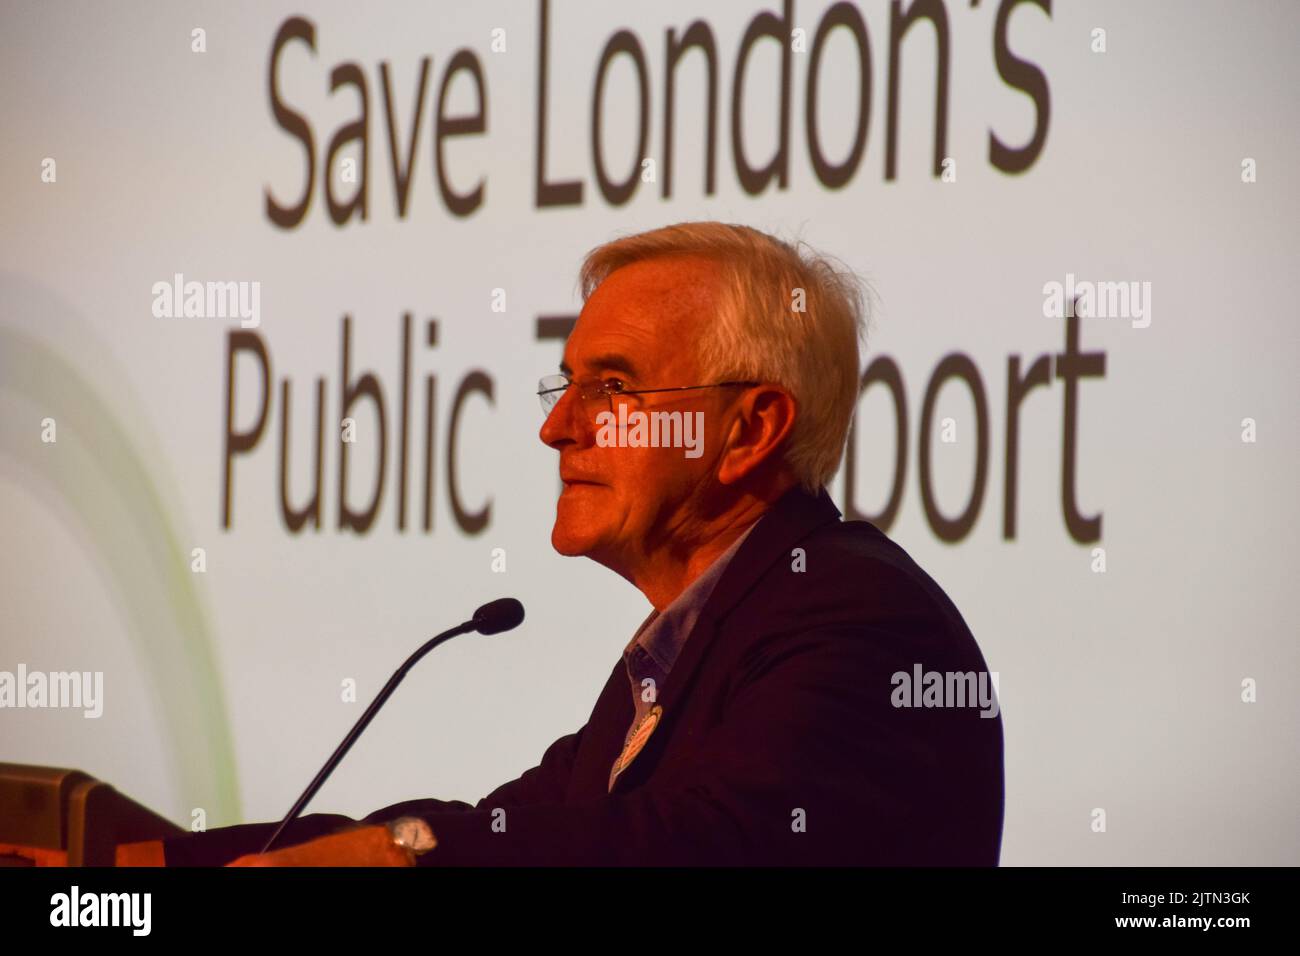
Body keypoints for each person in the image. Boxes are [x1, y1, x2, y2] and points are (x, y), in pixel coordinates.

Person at [161, 222, 1004, 866]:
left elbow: (687, 849)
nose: (557, 427)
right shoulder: (688, 643)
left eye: (613, 386)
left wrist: (403, 859)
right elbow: (516, 825)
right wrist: (136, 866)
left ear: (750, 430)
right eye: (569, 385)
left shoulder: (859, 618)